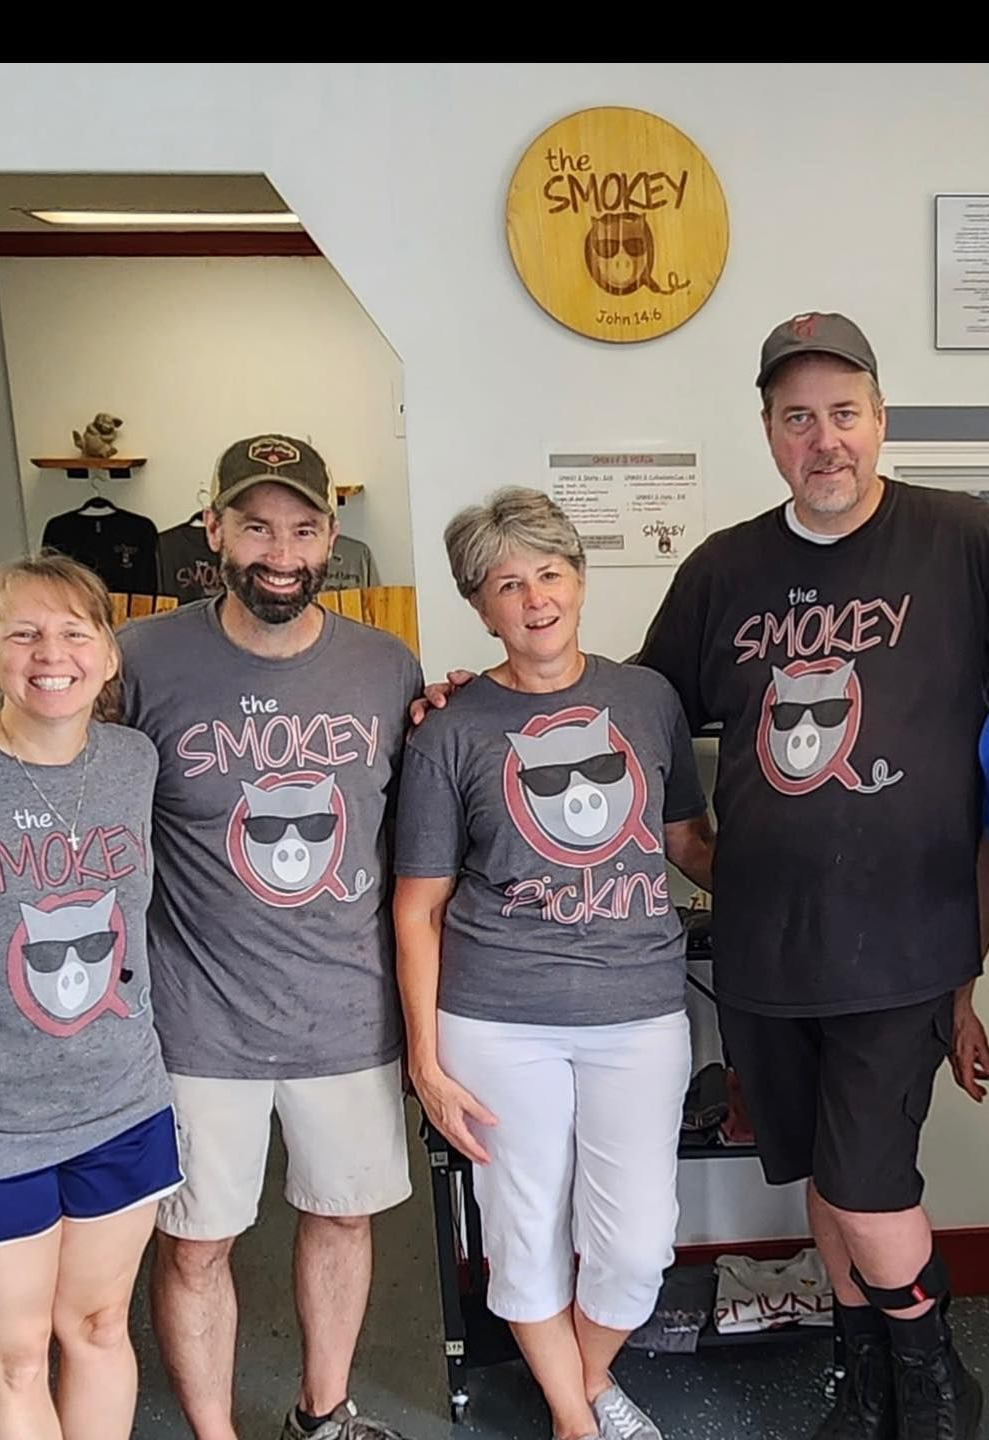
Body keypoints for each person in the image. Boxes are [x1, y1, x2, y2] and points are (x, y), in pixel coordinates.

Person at [414, 316, 989, 1440]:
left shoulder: (962, 538)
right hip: (765, 942)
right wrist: (467, 698)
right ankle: (863, 1382)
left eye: (843, 413)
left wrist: (973, 958)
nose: (822, 440)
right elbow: (620, 706)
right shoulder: (725, 567)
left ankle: (928, 1387)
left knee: (871, 1180)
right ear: (769, 432)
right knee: (823, 1176)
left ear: (880, 419)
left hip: (905, 939)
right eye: (795, 418)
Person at [0, 435, 423, 1440]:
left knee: (342, 1216)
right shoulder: (144, 658)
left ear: (331, 535)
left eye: (301, 525)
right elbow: (50, 732)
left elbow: (423, 813)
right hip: (191, 1025)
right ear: (213, 530)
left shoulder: (386, 664)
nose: (278, 548)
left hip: (346, 1012)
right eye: (253, 524)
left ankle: (323, 1415)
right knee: (196, 1244)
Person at [394, 488, 714, 1440]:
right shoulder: (448, 730)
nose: (534, 598)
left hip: (640, 1012)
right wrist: (425, 1060)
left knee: (638, 1243)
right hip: (496, 1017)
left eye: (550, 573)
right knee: (522, 1227)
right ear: (480, 606)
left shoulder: (647, 699)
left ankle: (579, 1380)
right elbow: (418, 908)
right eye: (506, 584)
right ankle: (581, 1417)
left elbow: (689, 840)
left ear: (578, 579)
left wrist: (797, 904)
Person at [0, 553, 180, 1440]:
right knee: (14, 1359)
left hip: (121, 1102)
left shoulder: (133, 761)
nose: (51, 653)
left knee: (101, 1328)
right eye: (22, 632)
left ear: (109, 657)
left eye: (75, 632)